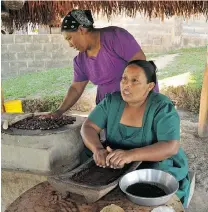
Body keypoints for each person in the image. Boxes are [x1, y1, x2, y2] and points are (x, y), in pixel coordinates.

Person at [80, 60, 190, 206]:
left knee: (152, 189)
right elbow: (88, 127)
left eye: (134, 81)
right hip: (114, 161)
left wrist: (130, 155)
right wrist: (98, 149)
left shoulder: (161, 107)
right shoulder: (112, 101)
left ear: (150, 86)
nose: (126, 85)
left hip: (152, 163)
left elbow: (170, 146)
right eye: (124, 78)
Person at [47, 9, 159, 117]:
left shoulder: (115, 37)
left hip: (137, 105)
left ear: (81, 29)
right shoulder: (80, 61)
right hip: (109, 109)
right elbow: (76, 88)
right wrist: (59, 111)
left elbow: (141, 65)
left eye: (69, 38)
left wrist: (133, 104)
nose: (70, 44)